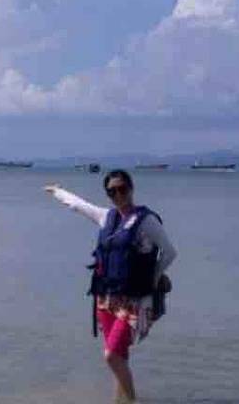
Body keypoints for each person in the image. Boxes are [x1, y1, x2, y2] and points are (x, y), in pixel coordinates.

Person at [45, 169, 177, 403]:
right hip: (106, 299)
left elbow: (169, 252)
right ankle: (119, 399)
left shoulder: (146, 221)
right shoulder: (106, 217)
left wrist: (155, 277)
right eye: (112, 191)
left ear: (131, 189)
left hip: (134, 301)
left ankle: (131, 400)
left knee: (111, 356)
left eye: (122, 189)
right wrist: (57, 191)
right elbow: (78, 205)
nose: (118, 195)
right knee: (119, 356)